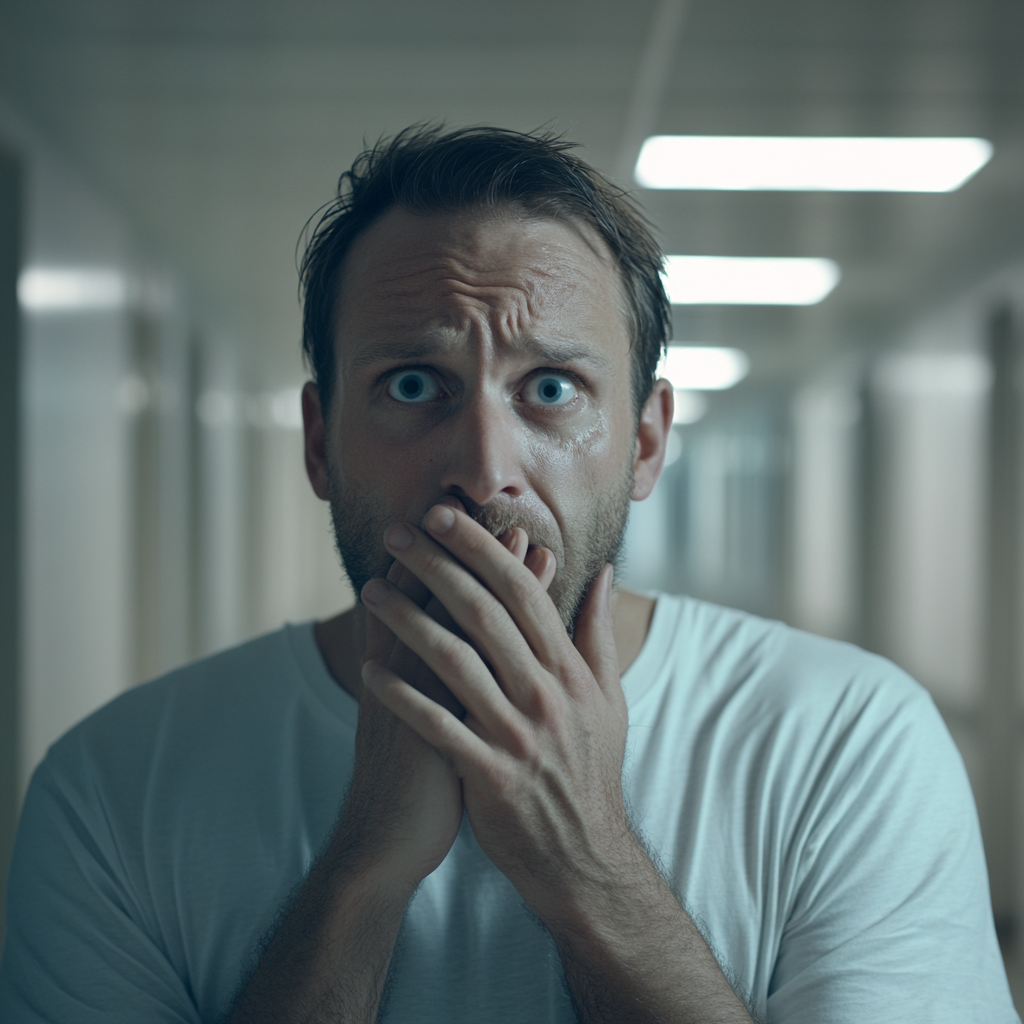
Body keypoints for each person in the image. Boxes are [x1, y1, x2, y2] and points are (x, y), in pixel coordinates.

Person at [0, 126, 1017, 1024]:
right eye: (412, 384)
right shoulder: (113, 787)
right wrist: (362, 869)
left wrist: (585, 860)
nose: (485, 466)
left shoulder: (849, 743)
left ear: (647, 442)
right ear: (320, 441)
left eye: (549, 387)